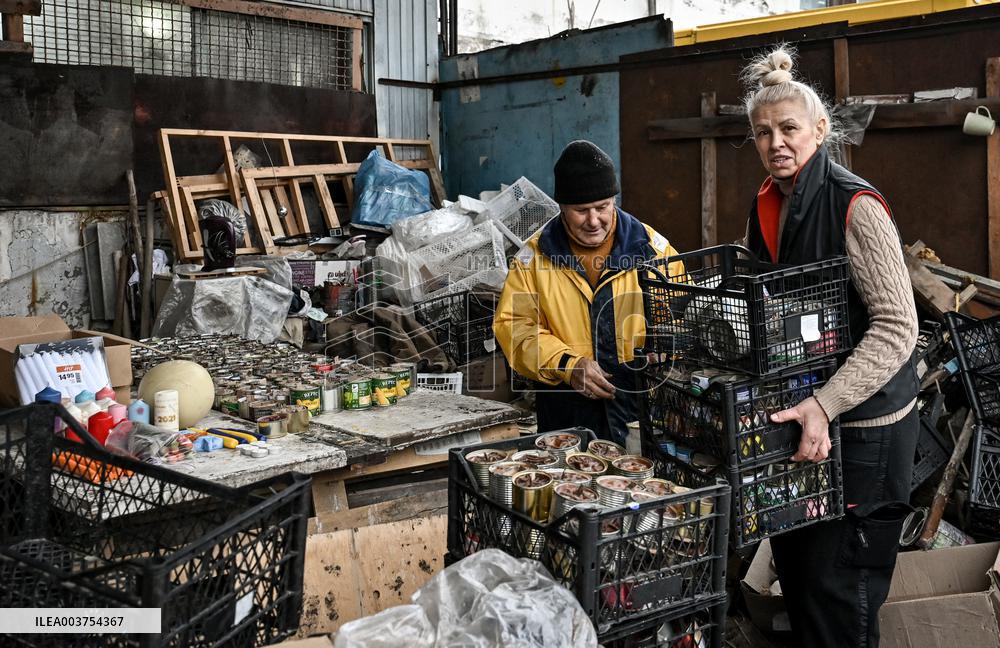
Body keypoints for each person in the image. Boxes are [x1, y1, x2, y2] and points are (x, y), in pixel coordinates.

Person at [740, 46, 919, 648]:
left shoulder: (855, 206)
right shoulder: (769, 204)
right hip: (809, 419)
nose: (777, 142)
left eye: (789, 128)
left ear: (820, 130)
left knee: (843, 595)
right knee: (802, 579)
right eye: (763, 132)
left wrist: (827, 402)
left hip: (864, 429)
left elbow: (897, 326)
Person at [493, 140, 684, 446]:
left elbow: (682, 316)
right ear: (561, 207)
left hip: (641, 408)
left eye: (602, 207)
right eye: (581, 210)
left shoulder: (652, 249)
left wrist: (666, 350)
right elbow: (515, 327)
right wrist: (567, 364)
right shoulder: (533, 258)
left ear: (614, 200)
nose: (594, 220)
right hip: (566, 410)